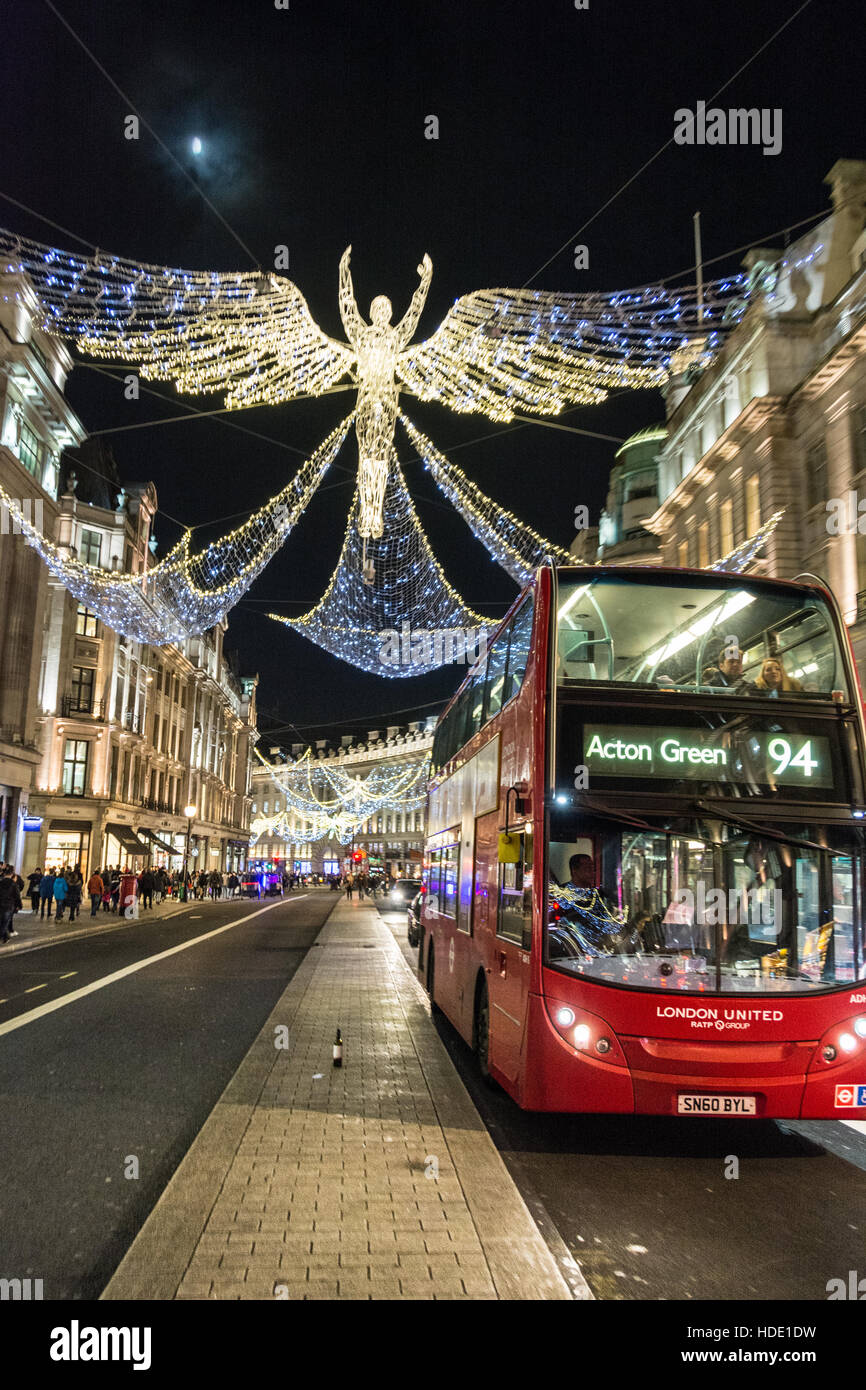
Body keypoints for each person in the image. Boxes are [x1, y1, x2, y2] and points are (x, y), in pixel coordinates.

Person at [0, 865, 23, 943]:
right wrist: (19, 905)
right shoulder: (13, 884)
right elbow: (17, 896)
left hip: (1, 905)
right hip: (9, 905)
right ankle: (3, 937)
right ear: (11, 874)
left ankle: (6, 937)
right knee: (5, 922)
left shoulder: (1, 882)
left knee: (2, 922)